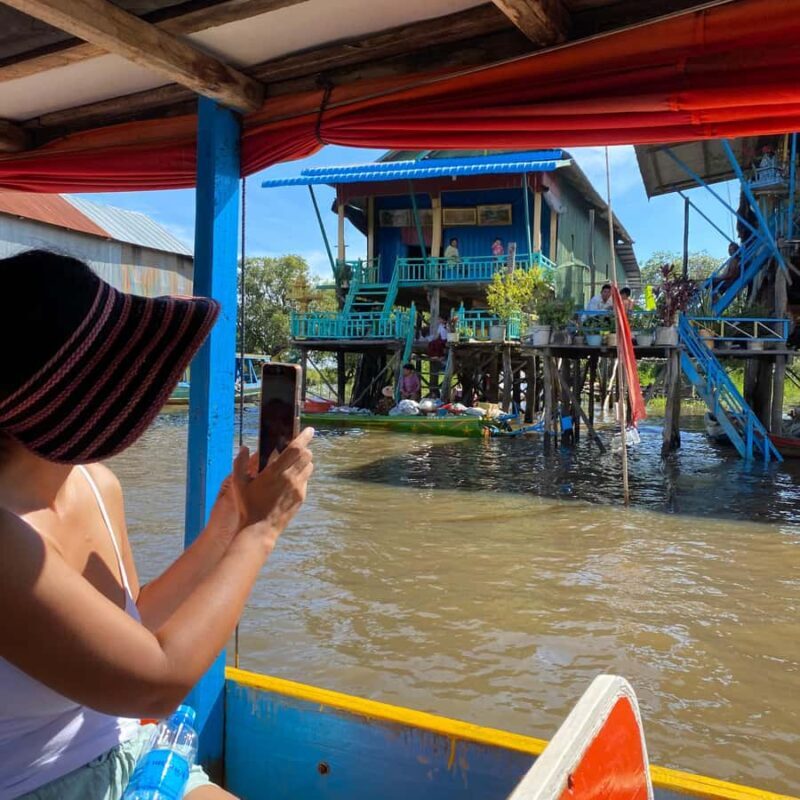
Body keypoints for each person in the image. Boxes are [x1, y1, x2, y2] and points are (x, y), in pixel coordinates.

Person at [0, 250, 314, 799]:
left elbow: (131, 628)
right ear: (61, 393)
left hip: (132, 755)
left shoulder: (97, 483)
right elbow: (156, 684)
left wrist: (229, 526)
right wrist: (263, 533)